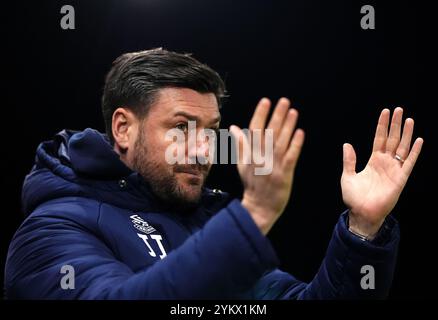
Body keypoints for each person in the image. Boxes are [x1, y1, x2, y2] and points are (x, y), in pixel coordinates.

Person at [4, 48, 423, 299]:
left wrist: (363, 229)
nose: (204, 148)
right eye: (181, 127)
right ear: (123, 128)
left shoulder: (205, 219)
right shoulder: (51, 229)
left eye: (211, 132)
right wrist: (255, 214)